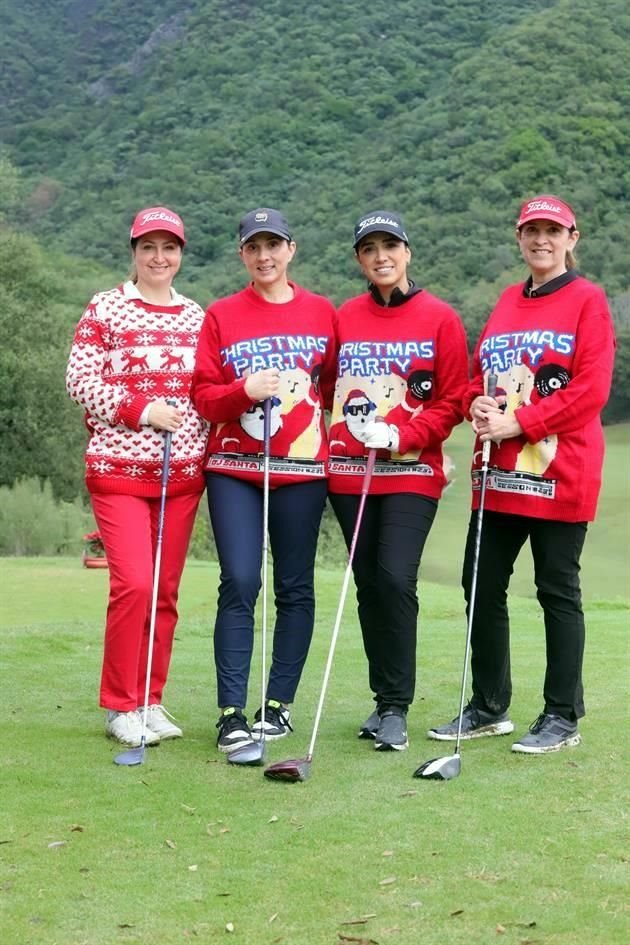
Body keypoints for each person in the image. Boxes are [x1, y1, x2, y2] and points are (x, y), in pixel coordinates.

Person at [428, 194, 616, 754]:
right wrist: (477, 406)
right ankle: (489, 706)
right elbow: (480, 375)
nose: (541, 240)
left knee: (557, 590)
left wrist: (521, 422)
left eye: (552, 232)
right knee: (480, 586)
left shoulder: (588, 301)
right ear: (519, 238)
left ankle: (562, 715)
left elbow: (590, 390)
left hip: (560, 474)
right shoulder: (509, 301)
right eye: (531, 231)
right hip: (497, 475)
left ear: (572, 239)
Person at [191, 207, 337, 752]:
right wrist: (243, 390)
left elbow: (338, 386)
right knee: (242, 581)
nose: (264, 256)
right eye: (254, 247)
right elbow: (204, 396)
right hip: (234, 468)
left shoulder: (323, 312)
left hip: (302, 469)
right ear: (243, 255)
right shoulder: (223, 314)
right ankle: (231, 712)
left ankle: (277, 706)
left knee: (294, 587)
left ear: (291, 250)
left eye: (273, 245)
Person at [66, 206, 208, 748]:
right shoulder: (106, 307)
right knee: (134, 584)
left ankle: (150, 698)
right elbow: (80, 380)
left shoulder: (196, 316)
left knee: (165, 591)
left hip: (181, 474)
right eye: (148, 247)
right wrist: (143, 411)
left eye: (168, 248)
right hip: (117, 470)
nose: (158, 257)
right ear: (134, 253)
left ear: (180, 255)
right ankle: (120, 705)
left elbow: (205, 389)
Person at [328, 210, 469, 751]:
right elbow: (325, 387)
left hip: (412, 471)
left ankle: (395, 708)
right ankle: (381, 699)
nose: (381, 256)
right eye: (369, 249)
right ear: (360, 261)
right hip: (349, 474)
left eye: (390, 246)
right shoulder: (346, 316)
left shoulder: (439, 318)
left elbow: (453, 397)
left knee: (393, 578)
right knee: (367, 585)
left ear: (407, 252)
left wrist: (407, 434)